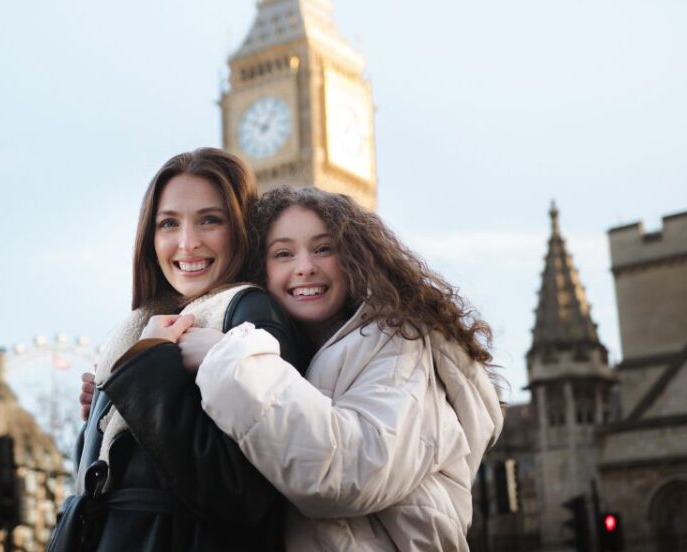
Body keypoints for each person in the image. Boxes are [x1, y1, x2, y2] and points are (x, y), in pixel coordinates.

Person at [178, 186, 505, 551]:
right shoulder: (288, 354)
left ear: (355, 257)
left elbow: (350, 471)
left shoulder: (397, 342)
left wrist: (226, 360)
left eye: (323, 249)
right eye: (283, 253)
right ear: (262, 269)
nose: (305, 267)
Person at [53, 149, 309, 551]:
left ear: (242, 228)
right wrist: (99, 419)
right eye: (169, 223)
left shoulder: (250, 312)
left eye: (210, 220)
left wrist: (147, 369)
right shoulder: (138, 325)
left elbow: (239, 493)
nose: (187, 243)